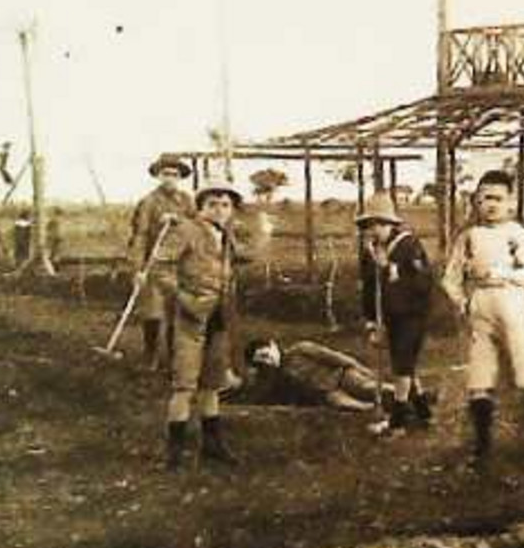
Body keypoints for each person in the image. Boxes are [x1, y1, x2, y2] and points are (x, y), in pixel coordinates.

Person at [441, 170, 524, 467]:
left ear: (511, 202)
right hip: (480, 305)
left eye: (497, 198)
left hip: (512, 303)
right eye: (484, 198)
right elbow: (450, 278)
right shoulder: (468, 236)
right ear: (476, 202)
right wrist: (462, 302)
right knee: (479, 376)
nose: (490, 204)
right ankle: (481, 449)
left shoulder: (517, 234)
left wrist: (502, 273)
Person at [164, 177, 244, 470]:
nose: (220, 210)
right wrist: (185, 300)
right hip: (190, 317)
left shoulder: (226, 235)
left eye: (226, 205)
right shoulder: (186, 230)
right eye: (213, 204)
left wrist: (263, 231)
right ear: (201, 207)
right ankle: (175, 453)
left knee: (212, 382)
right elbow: (160, 269)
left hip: (219, 315)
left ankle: (212, 444)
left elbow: (239, 262)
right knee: (185, 384)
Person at [357, 191, 435, 436]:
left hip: (412, 314)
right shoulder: (369, 251)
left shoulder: (409, 245)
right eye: (370, 224)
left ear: (391, 224)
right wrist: (371, 322)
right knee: (404, 364)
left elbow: (422, 282)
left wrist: (390, 268)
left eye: (380, 224)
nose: (375, 229)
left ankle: (398, 421)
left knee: (402, 363)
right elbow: (368, 288)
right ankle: (424, 412)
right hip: (388, 315)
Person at [128, 154, 196, 371]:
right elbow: (140, 235)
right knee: (153, 311)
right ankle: (151, 356)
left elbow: (197, 227)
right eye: (166, 174)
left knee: (177, 311)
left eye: (175, 175)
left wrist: (179, 221)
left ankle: (174, 358)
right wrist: (138, 268)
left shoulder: (186, 201)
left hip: (180, 265)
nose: (170, 178)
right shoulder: (149, 202)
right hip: (155, 264)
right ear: (158, 175)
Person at [237, 338, 386, 412]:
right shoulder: (276, 376)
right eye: (262, 361)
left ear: (273, 345)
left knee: (367, 387)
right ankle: (374, 409)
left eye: (266, 354)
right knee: (350, 406)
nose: (268, 361)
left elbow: (335, 357)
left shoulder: (300, 349)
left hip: (341, 376)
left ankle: (402, 394)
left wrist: (363, 369)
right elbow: (263, 396)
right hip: (327, 394)